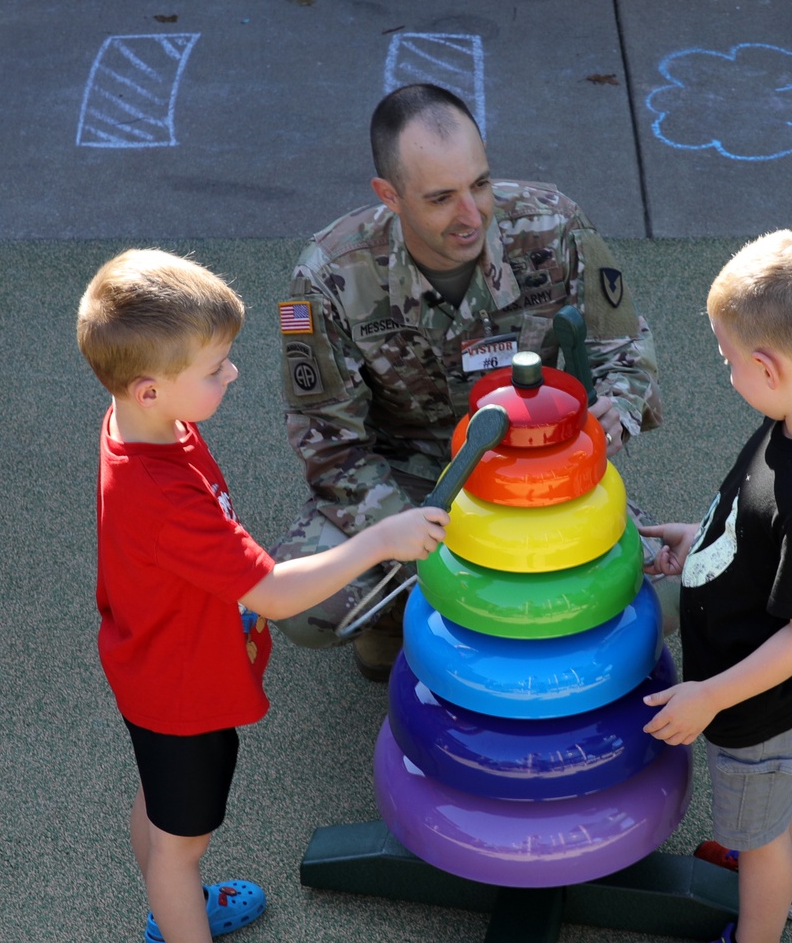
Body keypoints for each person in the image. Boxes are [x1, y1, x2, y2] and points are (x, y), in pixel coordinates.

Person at [76, 250, 447, 943]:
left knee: (162, 805)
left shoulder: (139, 423)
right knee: (185, 839)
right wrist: (380, 537)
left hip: (153, 661)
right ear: (150, 387)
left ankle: (168, 909)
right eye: (214, 369)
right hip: (181, 690)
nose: (232, 377)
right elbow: (276, 592)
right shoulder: (163, 491)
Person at [273, 82, 663, 678]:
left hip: (532, 474)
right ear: (390, 196)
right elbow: (330, 442)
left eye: (479, 184)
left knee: (663, 596)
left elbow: (626, 350)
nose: (472, 214)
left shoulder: (552, 227)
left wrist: (614, 408)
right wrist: (415, 542)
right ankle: (398, 619)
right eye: (440, 198)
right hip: (406, 478)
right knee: (310, 608)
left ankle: (437, 616)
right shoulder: (331, 275)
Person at [641, 229, 792, 943]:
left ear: (769, 368)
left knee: (759, 821)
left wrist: (709, 696)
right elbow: (746, 517)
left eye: (730, 360)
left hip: (758, 705)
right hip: (764, 706)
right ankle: (788, 880)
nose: (729, 373)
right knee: (776, 801)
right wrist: (693, 541)